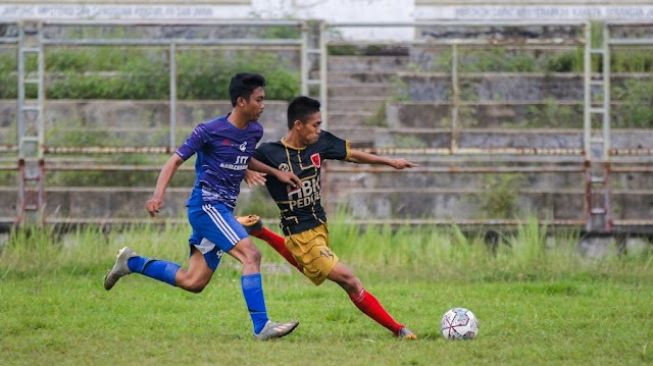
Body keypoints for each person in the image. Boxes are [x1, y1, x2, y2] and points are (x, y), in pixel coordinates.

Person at [103, 73, 302, 341]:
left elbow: (243, 157)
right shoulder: (208, 130)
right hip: (207, 206)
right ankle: (262, 326)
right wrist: (157, 195)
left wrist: (275, 173)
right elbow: (173, 161)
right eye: (259, 99)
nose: (263, 105)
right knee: (251, 256)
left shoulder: (255, 131)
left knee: (193, 281)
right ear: (241, 102)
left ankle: (131, 262)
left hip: (222, 210)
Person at [244, 95, 418, 340]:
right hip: (301, 233)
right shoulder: (271, 153)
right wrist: (248, 172)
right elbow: (238, 158)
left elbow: (354, 154)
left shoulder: (320, 143)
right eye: (315, 124)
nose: (319, 129)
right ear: (298, 125)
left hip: (320, 227)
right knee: (350, 280)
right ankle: (398, 329)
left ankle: (260, 230)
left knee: (310, 268)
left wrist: (390, 161)